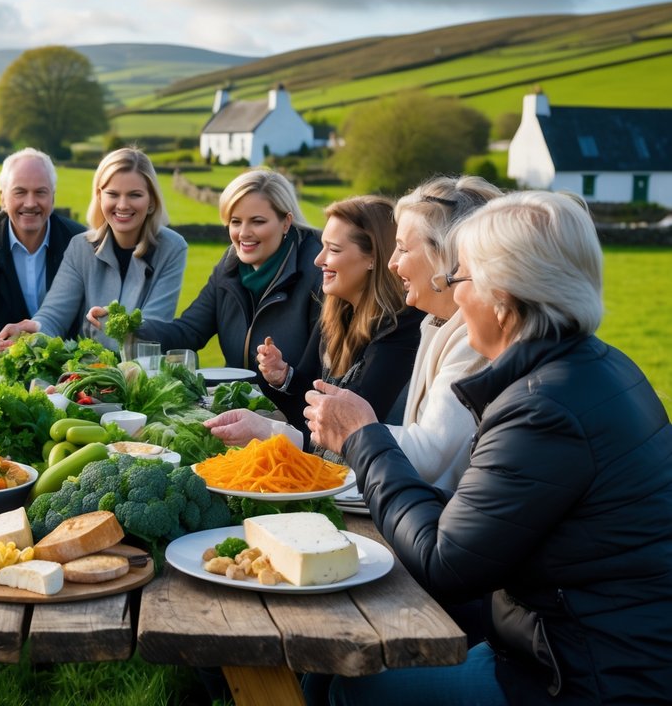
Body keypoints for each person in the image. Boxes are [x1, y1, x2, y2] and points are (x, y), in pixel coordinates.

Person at [301, 191, 672, 705]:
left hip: (581, 676)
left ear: (504, 295)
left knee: (352, 687)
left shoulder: (544, 408)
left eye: (461, 278)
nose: (453, 296)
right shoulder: (593, 367)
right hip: (573, 645)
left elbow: (444, 563)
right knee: (324, 668)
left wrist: (365, 438)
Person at [210, 176, 499, 491]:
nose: (393, 263)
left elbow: (425, 458)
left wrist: (284, 431)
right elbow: (317, 410)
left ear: (443, 255)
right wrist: (284, 380)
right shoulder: (432, 322)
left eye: (402, 249)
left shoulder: (456, 334)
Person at [90, 169, 322, 417]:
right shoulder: (230, 268)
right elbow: (189, 331)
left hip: (298, 426)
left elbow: (323, 376)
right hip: (238, 414)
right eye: (235, 221)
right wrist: (131, 326)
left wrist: (283, 375)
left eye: (257, 221)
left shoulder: (316, 272)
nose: (243, 233)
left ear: (286, 221)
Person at [223, 195, 423, 445]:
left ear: (373, 258)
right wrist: (283, 376)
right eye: (323, 246)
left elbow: (348, 431)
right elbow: (306, 401)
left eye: (334, 250)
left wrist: (271, 432)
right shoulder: (336, 311)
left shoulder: (400, 328)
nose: (319, 260)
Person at [0, 147, 187, 353]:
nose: (122, 205)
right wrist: (35, 330)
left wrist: (119, 321)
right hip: (89, 374)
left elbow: (154, 327)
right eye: (113, 194)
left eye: (135, 195)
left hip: (141, 373)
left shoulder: (171, 248)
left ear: (151, 201)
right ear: (99, 196)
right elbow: (54, 314)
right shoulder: (81, 247)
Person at [0, 148, 86, 341]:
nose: (30, 203)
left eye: (40, 192)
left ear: (53, 197)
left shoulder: (81, 244)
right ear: (2, 198)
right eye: (20, 192)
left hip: (68, 367)